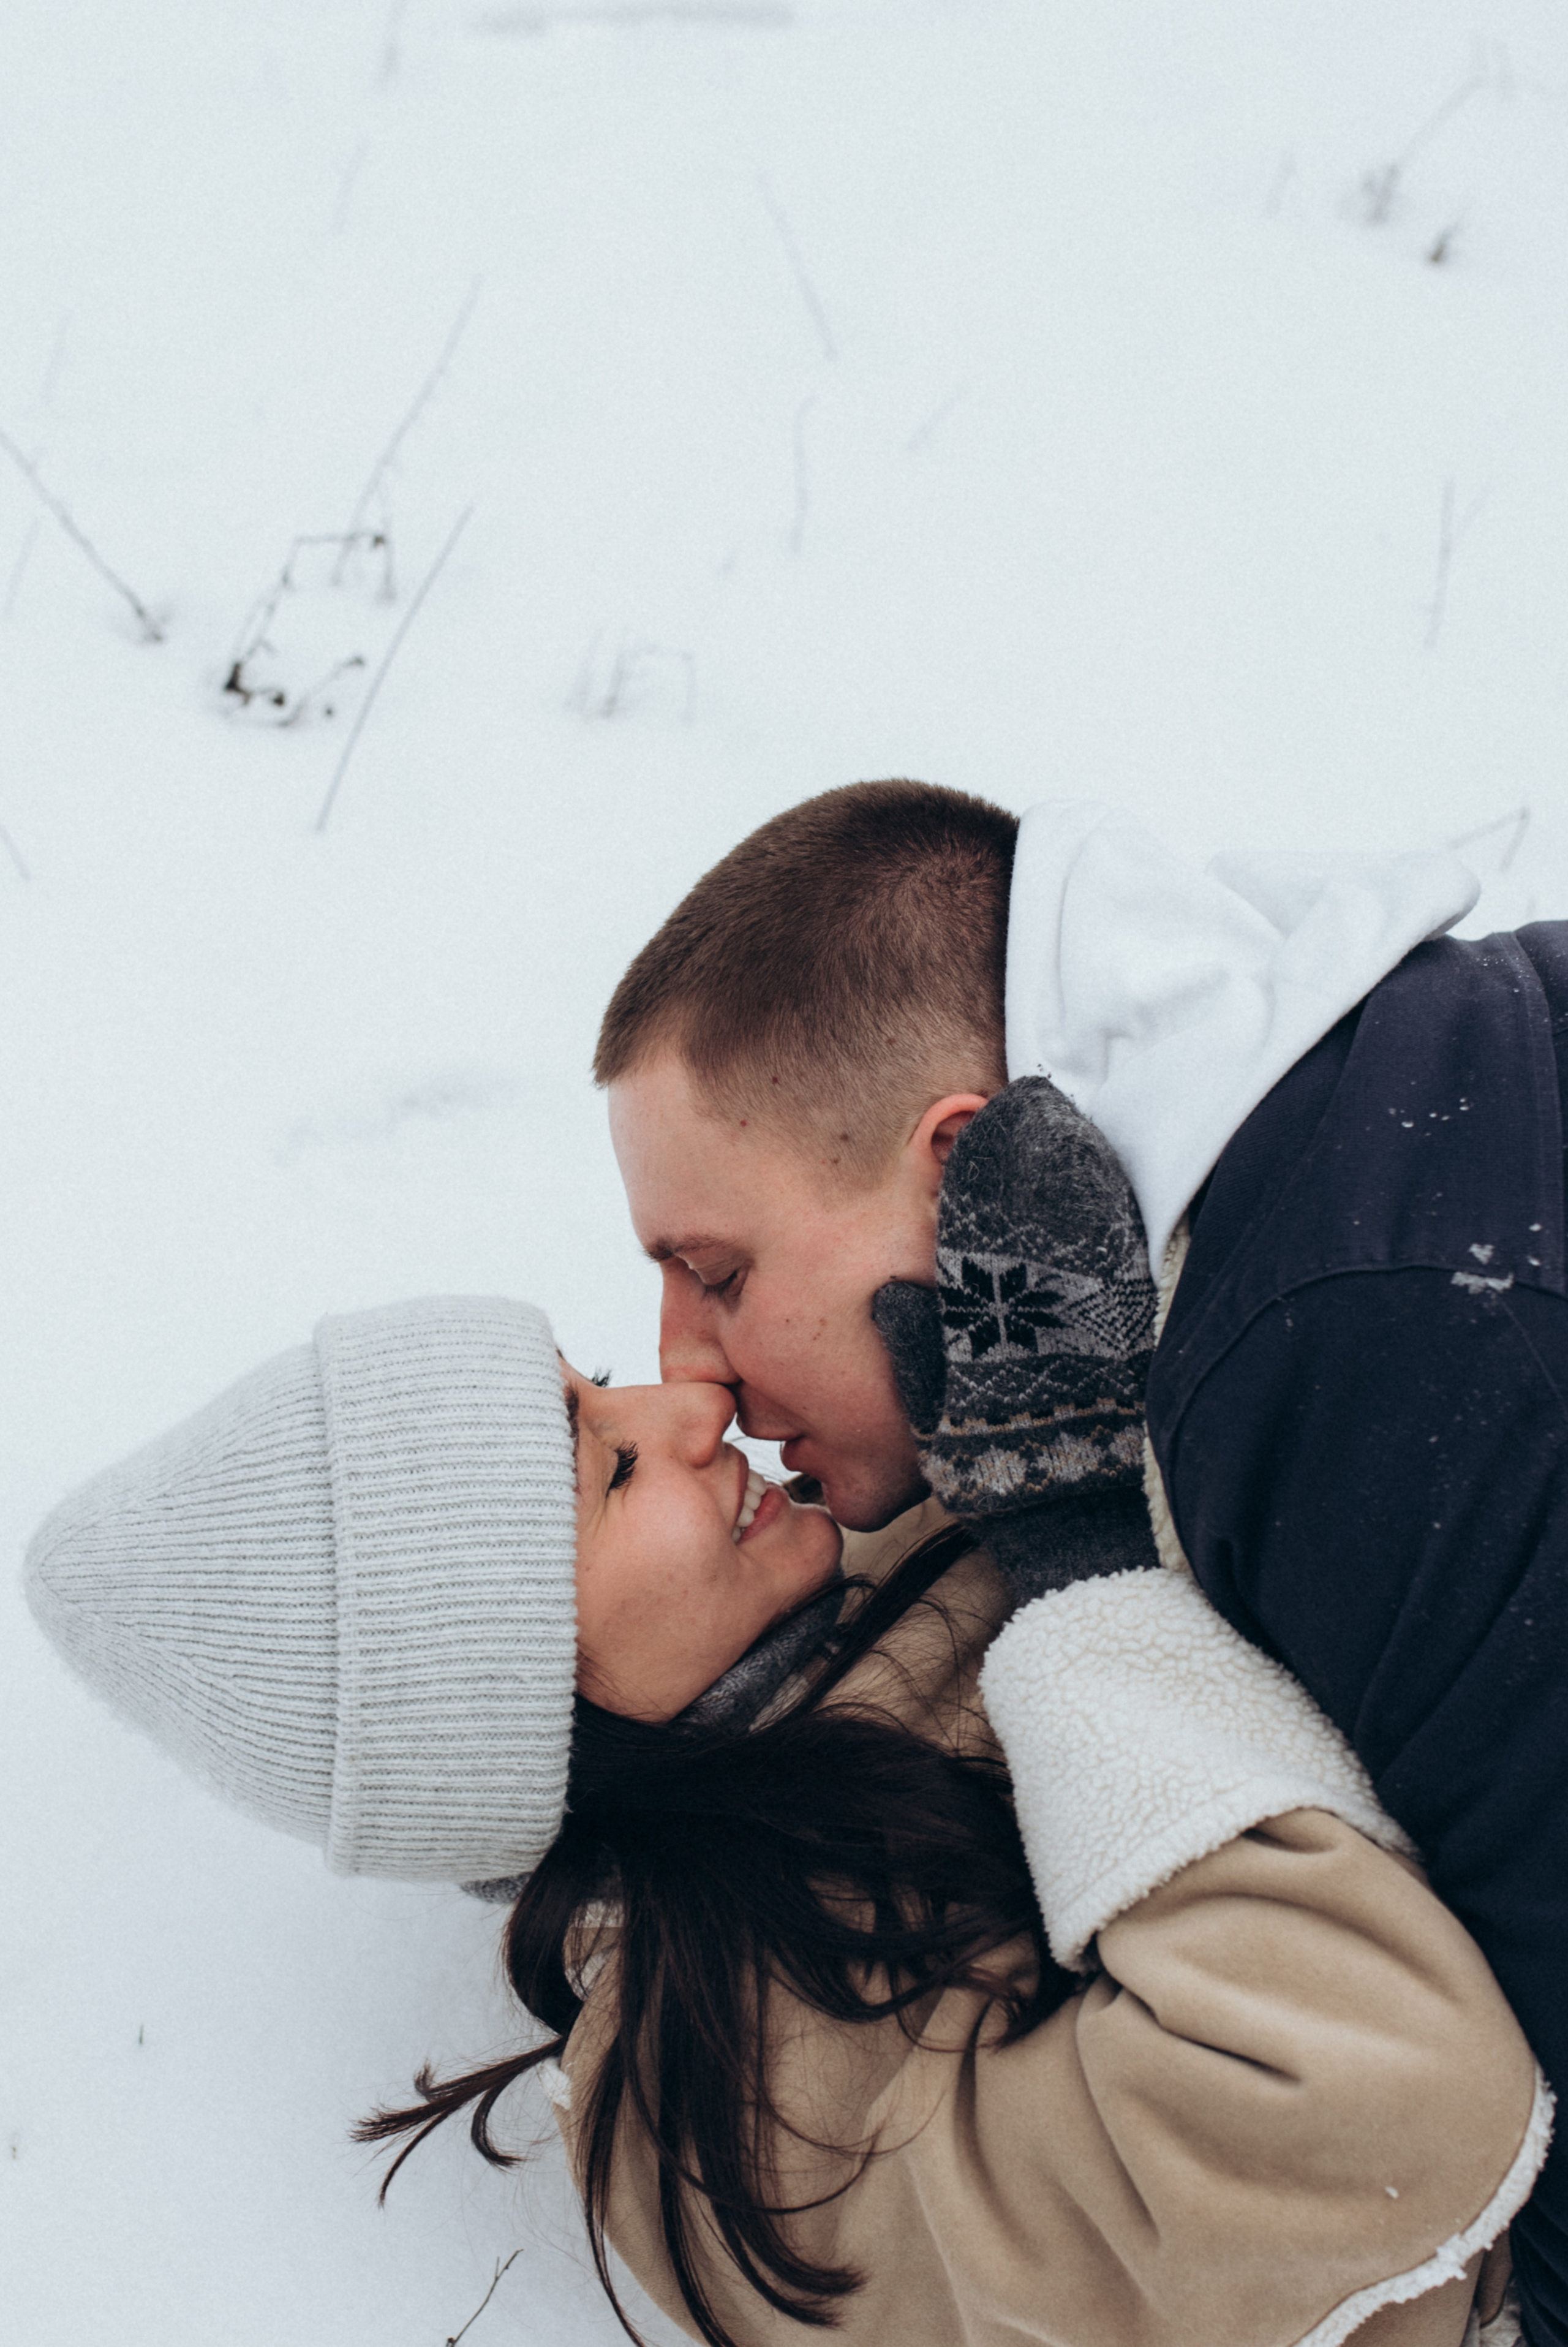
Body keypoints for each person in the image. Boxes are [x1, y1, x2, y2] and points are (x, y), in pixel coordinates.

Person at [23, 1294, 1551, 2347]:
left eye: (605, 1375)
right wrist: (1078, 1562)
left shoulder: (907, 1525)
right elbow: (1377, 2114)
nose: (687, 1405)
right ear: (507, 1689)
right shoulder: (726, 2102)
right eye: (610, 1466)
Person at [594, 778, 1568, 2345]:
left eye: (715, 1272)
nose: (684, 1372)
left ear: (962, 1176)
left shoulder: (1354, 1357)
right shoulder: (1376, 1113)